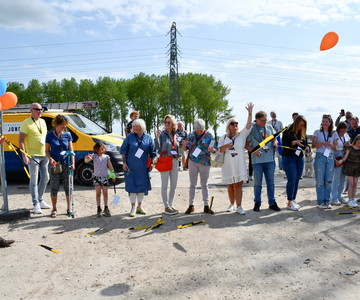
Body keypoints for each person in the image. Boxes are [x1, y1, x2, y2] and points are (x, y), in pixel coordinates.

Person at [218, 103, 253, 215]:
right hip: (228, 164)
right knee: (230, 185)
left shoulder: (242, 135)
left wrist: (250, 113)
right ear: (229, 126)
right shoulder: (223, 137)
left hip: (239, 163)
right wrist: (226, 146)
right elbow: (220, 150)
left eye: (236, 123)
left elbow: (248, 126)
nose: (235, 125)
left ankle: (239, 206)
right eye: (232, 123)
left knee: (238, 184)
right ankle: (231, 204)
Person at [245, 111, 280, 212]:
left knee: (271, 183)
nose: (265, 122)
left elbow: (275, 139)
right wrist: (254, 151)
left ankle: (272, 203)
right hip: (257, 162)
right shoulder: (252, 129)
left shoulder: (269, 127)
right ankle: (257, 203)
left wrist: (275, 144)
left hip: (270, 160)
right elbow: (246, 145)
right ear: (257, 120)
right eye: (263, 120)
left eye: (266, 120)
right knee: (257, 183)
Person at [19, 103, 51, 214]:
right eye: (37, 109)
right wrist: (24, 155)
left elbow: (45, 138)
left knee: (46, 178)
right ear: (31, 110)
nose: (40, 111)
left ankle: (40, 199)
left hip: (44, 155)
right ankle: (36, 203)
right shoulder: (26, 123)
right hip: (32, 156)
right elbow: (21, 140)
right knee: (33, 180)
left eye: (41, 109)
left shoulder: (42, 122)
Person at [120, 119, 156, 217]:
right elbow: (123, 151)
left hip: (143, 167)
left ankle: (140, 206)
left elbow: (153, 152)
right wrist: (124, 163)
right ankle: (133, 207)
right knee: (132, 187)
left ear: (142, 127)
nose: (134, 128)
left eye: (137, 126)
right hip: (130, 167)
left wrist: (152, 163)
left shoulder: (149, 138)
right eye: (133, 126)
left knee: (141, 187)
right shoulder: (129, 137)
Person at [183, 119, 216, 214]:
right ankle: (191, 205)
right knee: (192, 184)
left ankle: (206, 206)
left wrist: (212, 149)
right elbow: (186, 148)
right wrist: (184, 145)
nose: (199, 132)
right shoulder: (191, 134)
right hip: (192, 161)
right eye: (197, 130)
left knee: (204, 184)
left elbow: (214, 149)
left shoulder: (209, 135)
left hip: (204, 162)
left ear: (204, 128)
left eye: (200, 130)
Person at [45, 115, 75, 218]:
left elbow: (71, 151)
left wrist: (73, 163)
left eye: (65, 124)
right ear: (57, 124)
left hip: (66, 164)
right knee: (54, 186)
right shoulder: (49, 135)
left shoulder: (67, 135)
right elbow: (46, 151)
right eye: (62, 124)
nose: (64, 126)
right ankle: (54, 209)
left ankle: (69, 208)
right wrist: (51, 159)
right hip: (55, 165)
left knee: (68, 186)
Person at [282, 115, 310, 211]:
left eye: (303, 125)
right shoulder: (287, 130)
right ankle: (289, 201)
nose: (301, 127)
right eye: (299, 125)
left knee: (297, 179)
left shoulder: (303, 132)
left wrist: (307, 148)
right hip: (289, 157)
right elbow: (284, 143)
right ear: (295, 123)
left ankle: (293, 199)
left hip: (299, 157)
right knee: (292, 179)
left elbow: (305, 144)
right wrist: (294, 143)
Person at [155, 115, 180, 215]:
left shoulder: (175, 135)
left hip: (174, 160)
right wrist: (156, 137)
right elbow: (157, 147)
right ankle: (166, 207)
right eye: (165, 122)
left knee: (173, 184)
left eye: (169, 122)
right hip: (165, 160)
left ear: (173, 123)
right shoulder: (162, 135)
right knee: (164, 185)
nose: (167, 124)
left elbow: (177, 147)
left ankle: (171, 204)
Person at [312, 114, 337, 209]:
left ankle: (327, 201)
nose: (324, 123)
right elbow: (313, 145)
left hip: (330, 157)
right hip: (319, 157)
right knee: (320, 181)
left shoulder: (334, 133)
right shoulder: (317, 132)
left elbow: (335, 147)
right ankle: (320, 202)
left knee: (329, 181)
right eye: (323, 121)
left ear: (330, 123)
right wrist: (321, 143)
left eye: (326, 121)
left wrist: (331, 145)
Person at [85, 142, 115, 217]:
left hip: (104, 177)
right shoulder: (94, 156)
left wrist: (113, 174)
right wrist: (87, 158)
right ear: (96, 150)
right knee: (98, 194)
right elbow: (87, 160)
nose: (101, 151)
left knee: (105, 193)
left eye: (102, 149)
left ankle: (106, 208)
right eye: (99, 150)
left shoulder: (107, 157)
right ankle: (98, 208)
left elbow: (110, 166)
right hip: (96, 178)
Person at [331, 122, 351, 206]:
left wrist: (344, 158)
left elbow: (349, 147)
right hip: (336, 156)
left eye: (345, 131)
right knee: (336, 179)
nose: (343, 132)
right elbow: (331, 147)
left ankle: (340, 196)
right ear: (338, 129)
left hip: (344, 157)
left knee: (343, 179)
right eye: (342, 131)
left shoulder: (346, 136)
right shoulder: (334, 135)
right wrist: (334, 159)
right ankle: (334, 198)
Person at [338, 134, 360, 208]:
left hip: (357, 168)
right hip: (349, 167)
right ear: (355, 141)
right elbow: (345, 157)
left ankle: (353, 199)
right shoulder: (350, 147)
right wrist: (341, 160)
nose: (359, 144)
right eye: (358, 142)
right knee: (351, 183)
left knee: (355, 184)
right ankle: (350, 200)